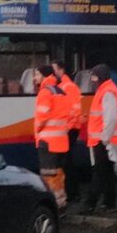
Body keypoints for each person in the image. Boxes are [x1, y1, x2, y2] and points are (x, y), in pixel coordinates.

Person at [81, 64, 117, 215]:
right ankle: (109, 203)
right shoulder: (107, 90)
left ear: (100, 76)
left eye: (94, 76)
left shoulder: (107, 92)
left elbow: (110, 118)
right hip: (105, 139)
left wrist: (105, 138)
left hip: (103, 140)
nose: (92, 79)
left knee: (99, 173)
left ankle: (90, 204)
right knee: (107, 173)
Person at [33, 66, 70, 215]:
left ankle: (51, 208)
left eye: (36, 74)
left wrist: (38, 131)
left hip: (47, 142)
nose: (34, 78)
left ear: (43, 76)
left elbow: (42, 117)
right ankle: (61, 203)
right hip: (61, 141)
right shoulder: (60, 91)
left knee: (48, 177)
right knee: (58, 176)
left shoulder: (45, 92)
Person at [52, 60, 83, 203]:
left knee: (66, 161)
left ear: (61, 70)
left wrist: (66, 128)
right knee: (65, 161)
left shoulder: (68, 87)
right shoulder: (62, 86)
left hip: (70, 129)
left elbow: (75, 111)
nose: (54, 73)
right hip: (66, 128)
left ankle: (73, 192)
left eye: (55, 70)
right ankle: (70, 191)